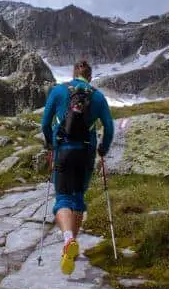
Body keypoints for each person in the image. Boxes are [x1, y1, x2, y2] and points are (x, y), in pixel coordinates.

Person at [40, 59, 114, 275]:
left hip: (62, 150)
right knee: (78, 196)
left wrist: (50, 143)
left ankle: (68, 239)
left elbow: (45, 123)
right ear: (89, 77)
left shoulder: (58, 91)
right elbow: (108, 127)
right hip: (86, 152)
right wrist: (103, 149)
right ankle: (71, 247)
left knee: (63, 197)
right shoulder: (98, 96)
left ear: (73, 74)